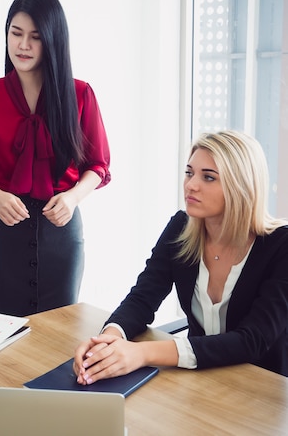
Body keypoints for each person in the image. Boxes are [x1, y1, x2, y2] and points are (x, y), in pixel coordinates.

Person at [73, 130, 288, 384]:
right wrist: (109, 340)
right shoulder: (181, 228)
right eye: (189, 173)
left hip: (263, 391)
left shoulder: (280, 246)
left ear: (241, 186)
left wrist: (141, 353)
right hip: (199, 382)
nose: (191, 185)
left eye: (208, 177)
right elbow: (142, 298)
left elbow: (253, 340)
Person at [0, 0, 111, 317]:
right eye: (16, 33)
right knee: (7, 334)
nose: (23, 45)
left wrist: (72, 198)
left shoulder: (80, 94)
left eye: (35, 37)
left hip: (61, 227)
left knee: (61, 332)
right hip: (5, 228)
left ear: (52, 40)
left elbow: (97, 166)